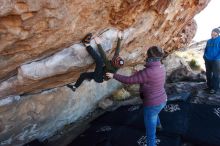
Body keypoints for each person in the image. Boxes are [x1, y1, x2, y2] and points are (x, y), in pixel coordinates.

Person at [106, 46, 167, 146]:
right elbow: (150, 77)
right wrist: (139, 73)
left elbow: (129, 80)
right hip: (163, 99)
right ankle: (159, 126)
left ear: (150, 57)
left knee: (150, 135)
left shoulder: (148, 72)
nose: (146, 56)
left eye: (147, 55)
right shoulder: (161, 66)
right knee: (156, 112)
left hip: (152, 104)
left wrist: (114, 76)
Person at [203, 28, 220, 94]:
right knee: (208, 74)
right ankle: (209, 86)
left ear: (217, 33)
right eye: (212, 32)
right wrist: (204, 56)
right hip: (208, 60)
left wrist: (217, 58)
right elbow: (206, 49)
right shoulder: (209, 41)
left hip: (216, 60)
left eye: (214, 32)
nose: (212, 33)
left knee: (216, 75)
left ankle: (215, 88)